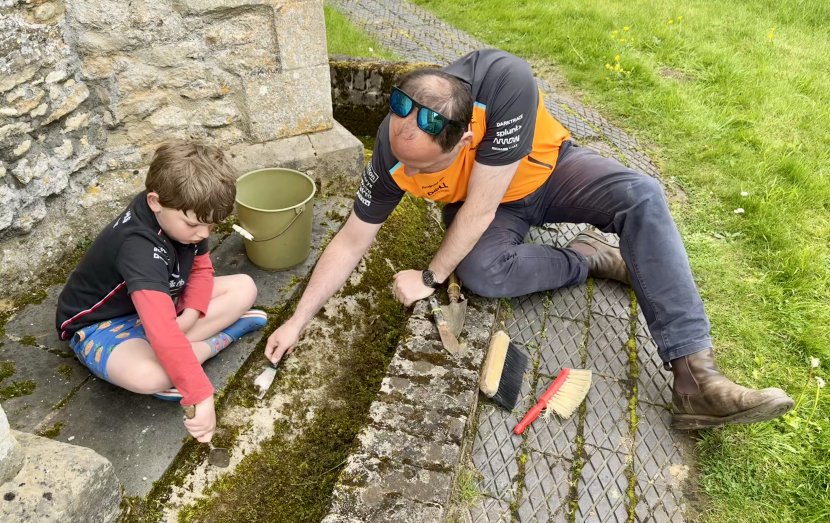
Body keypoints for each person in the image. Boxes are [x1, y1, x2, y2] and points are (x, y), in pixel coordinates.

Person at [265, 49, 794, 429]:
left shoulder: (504, 81)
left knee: (641, 195)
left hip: (547, 170)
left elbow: (482, 204)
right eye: (402, 161)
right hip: (497, 208)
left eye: (424, 166)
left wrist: (429, 276)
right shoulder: (392, 143)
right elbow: (352, 239)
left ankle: (695, 378)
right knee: (482, 273)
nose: (406, 172)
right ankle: (588, 259)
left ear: (467, 137)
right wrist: (297, 319)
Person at [56, 141, 267, 442]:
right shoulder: (138, 248)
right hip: (101, 325)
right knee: (150, 376)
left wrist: (190, 316)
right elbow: (162, 331)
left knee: (244, 286)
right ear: (154, 201)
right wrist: (201, 395)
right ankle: (225, 336)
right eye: (195, 225)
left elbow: (201, 269)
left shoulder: (183, 214)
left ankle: (176, 356)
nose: (204, 235)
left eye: (211, 226)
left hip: (159, 307)